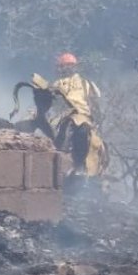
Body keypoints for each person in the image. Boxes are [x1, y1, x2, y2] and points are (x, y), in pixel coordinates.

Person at [47, 52, 108, 181]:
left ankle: (81, 167)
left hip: (83, 119)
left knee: (87, 136)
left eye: (70, 66)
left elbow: (95, 104)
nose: (67, 69)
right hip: (63, 119)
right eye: (65, 66)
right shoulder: (57, 85)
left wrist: (96, 122)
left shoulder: (86, 84)